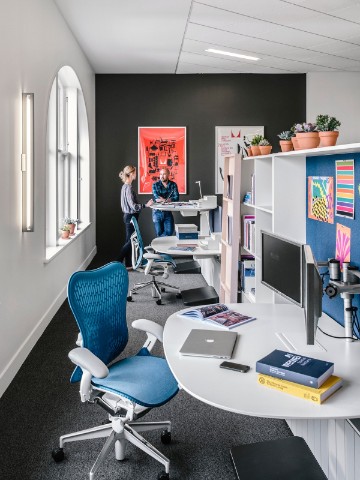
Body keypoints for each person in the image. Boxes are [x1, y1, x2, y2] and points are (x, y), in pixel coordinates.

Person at [118, 165, 153, 269]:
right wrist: (146, 205)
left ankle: (128, 264)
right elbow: (133, 206)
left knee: (128, 240)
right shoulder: (128, 188)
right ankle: (116, 262)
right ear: (132, 173)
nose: (136, 175)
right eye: (135, 173)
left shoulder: (124, 186)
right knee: (130, 241)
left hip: (128, 216)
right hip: (131, 217)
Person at [152, 167, 179, 237]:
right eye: (160, 174)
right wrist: (166, 200)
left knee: (169, 232)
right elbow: (157, 197)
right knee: (159, 234)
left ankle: (165, 245)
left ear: (168, 175)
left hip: (168, 212)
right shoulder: (155, 185)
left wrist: (167, 200)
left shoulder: (173, 185)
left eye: (164, 174)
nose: (162, 176)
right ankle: (162, 246)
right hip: (157, 212)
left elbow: (176, 197)